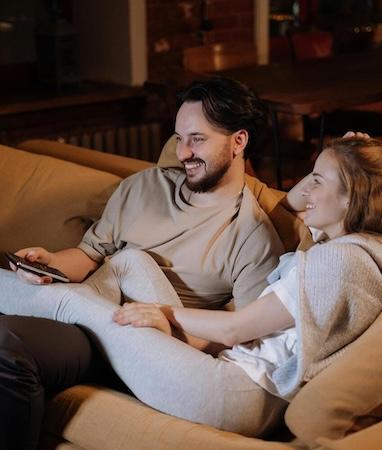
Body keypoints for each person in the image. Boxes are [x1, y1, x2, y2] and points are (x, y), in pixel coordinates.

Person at [0, 136, 382, 445]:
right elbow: (292, 203)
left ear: (351, 197)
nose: (305, 189)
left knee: (75, 302)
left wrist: (164, 315)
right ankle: (68, 316)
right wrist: (346, 152)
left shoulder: (342, 261)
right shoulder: (348, 243)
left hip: (237, 395)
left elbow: (239, 329)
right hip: (237, 376)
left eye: (317, 180)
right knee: (132, 261)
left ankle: (59, 312)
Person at [0, 77, 286, 450]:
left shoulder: (253, 237)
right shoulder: (144, 187)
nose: (183, 152)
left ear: (238, 141)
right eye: (179, 138)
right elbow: (88, 257)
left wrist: (171, 328)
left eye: (197, 139)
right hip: (94, 302)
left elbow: (243, 341)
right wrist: (49, 262)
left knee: (8, 347)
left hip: (142, 346)